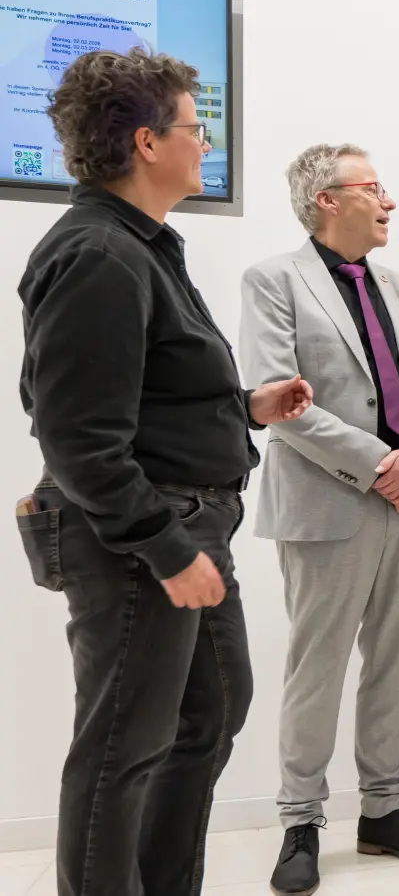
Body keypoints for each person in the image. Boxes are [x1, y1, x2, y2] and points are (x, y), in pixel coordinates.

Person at [14, 48, 312, 896]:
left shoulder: (139, 247)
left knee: (211, 710)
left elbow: (144, 398)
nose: (204, 138)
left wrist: (245, 408)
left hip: (184, 528)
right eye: (193, 125)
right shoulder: (100, 257)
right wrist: (166, 546)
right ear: (148, 142)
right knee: (120, 749)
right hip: (144, 540)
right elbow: (77, 436)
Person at [238, 144, 399, 892]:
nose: (389, 200)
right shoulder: (273, 280)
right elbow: (281, 400)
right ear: (328, 200)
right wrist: (379, 465)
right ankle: (300, 821)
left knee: (393, 663)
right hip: (332, 505)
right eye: (374, 188)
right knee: (317, 669)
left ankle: (385, 811)